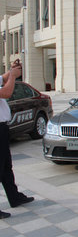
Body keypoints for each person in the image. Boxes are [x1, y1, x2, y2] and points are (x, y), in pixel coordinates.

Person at [0, 60, 35, 219]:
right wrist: (13, 77)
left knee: (6, 166)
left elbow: (3, 78)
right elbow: (6, 92)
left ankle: (14, 197)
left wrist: (12, 71)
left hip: (2, 127)